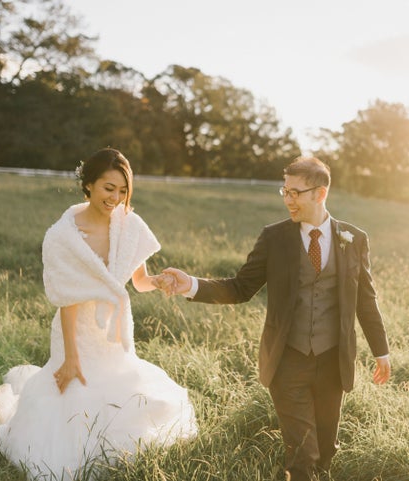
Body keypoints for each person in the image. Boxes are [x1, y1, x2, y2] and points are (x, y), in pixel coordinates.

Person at [160, 156, 391, 481]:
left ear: (320, 194)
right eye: (285, 191)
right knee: (302, 453)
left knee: (325, 451)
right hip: (287, 359)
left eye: (296, 192)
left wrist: (381, 351)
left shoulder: (353, 239)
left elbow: (366, 300)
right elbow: (240, 288)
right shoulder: (274, 237)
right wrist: (192, 285)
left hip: (332, 362)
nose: (288, 199)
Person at [0, 148, 197, 480]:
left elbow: (138, 282)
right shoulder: (62, 236)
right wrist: (70, 358)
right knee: (73, 400)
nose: (115, 197)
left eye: (123, 190)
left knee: (123, 394)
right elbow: (66, 301)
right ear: (88, 185)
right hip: (76, 332)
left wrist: (160, 281)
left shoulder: (129, 224)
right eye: (108, 188)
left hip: (112, 333)